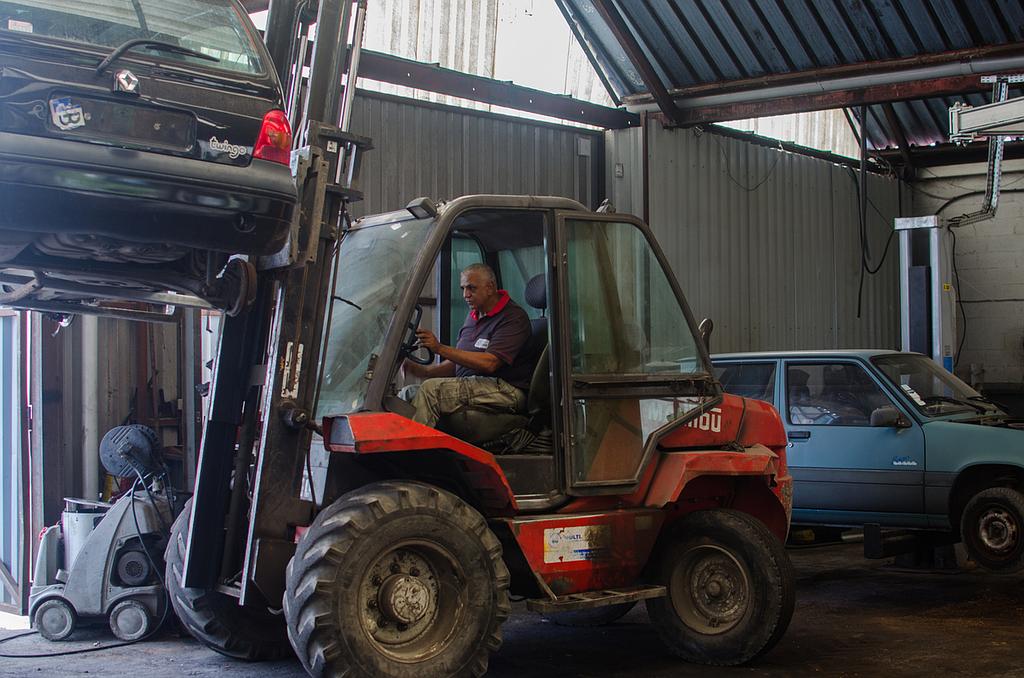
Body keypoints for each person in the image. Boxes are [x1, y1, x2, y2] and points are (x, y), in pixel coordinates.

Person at [403, 263, 532, 428]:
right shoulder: (473, 316)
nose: (465, 295)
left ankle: (414, 452)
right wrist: (423, 371)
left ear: (490, 287)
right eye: (463, 288)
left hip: (507, 390)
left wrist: (440, 348)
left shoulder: (513, 318)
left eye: (471, 288)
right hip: (474, 385)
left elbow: (490, 363)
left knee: (430, 391)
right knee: (408, 393)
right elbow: (461, 360)